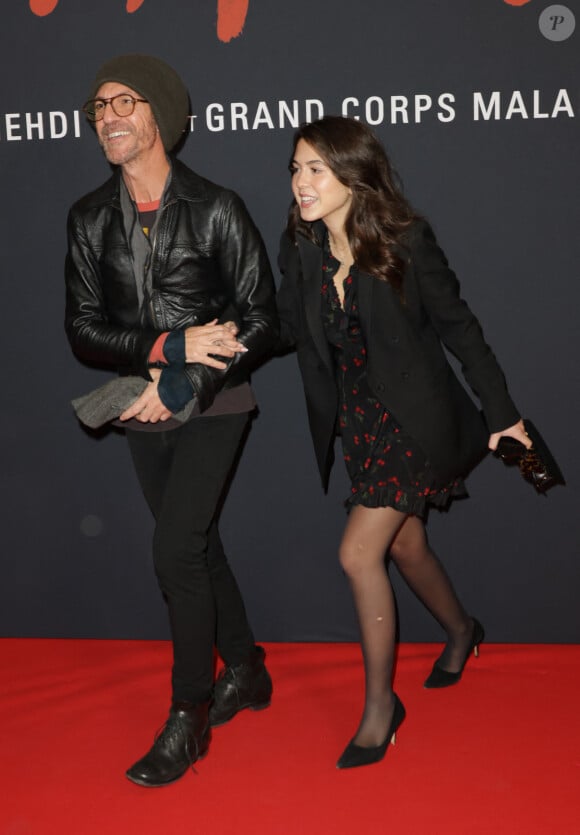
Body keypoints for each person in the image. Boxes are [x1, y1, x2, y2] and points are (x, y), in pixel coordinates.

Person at [276, 116, 531, 770]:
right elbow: (286, 325)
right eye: (296, 168)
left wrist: (501, 413)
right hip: (359, 424)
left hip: (416, 420)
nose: (300, 182)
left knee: (359, 553)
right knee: (407, 540)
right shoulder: (302, 247)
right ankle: (462, 629)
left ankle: (380, 709)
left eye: (315, 170)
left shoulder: (405, 239)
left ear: (353, 176)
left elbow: (461, 330)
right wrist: (217, 347)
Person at [65, 54, 278, 787]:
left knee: (174, 554)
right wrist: (165, 347)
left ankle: (187, 712)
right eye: (98, 107)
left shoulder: (216, 206)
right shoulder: (90, 217)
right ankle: (247, 669)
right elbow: (84, 329)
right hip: (141, 401)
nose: (108, 116)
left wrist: (189, 373)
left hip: (217, 397)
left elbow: (262, 319)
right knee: (198, 546)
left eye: (124, 102)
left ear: (159, 115)